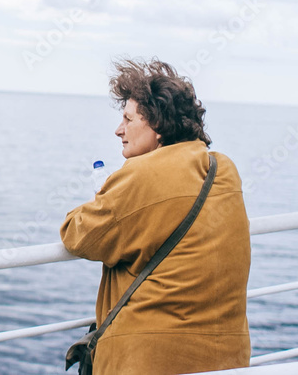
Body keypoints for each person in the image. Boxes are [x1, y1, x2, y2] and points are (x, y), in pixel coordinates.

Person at [60, 58, 251, 374]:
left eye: (128, 119)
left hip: (150, 360)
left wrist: (106, 194)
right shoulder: (222, 167)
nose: (118, 129)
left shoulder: (140, 175)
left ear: (158, 126)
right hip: (226, 358)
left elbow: (78, 235)